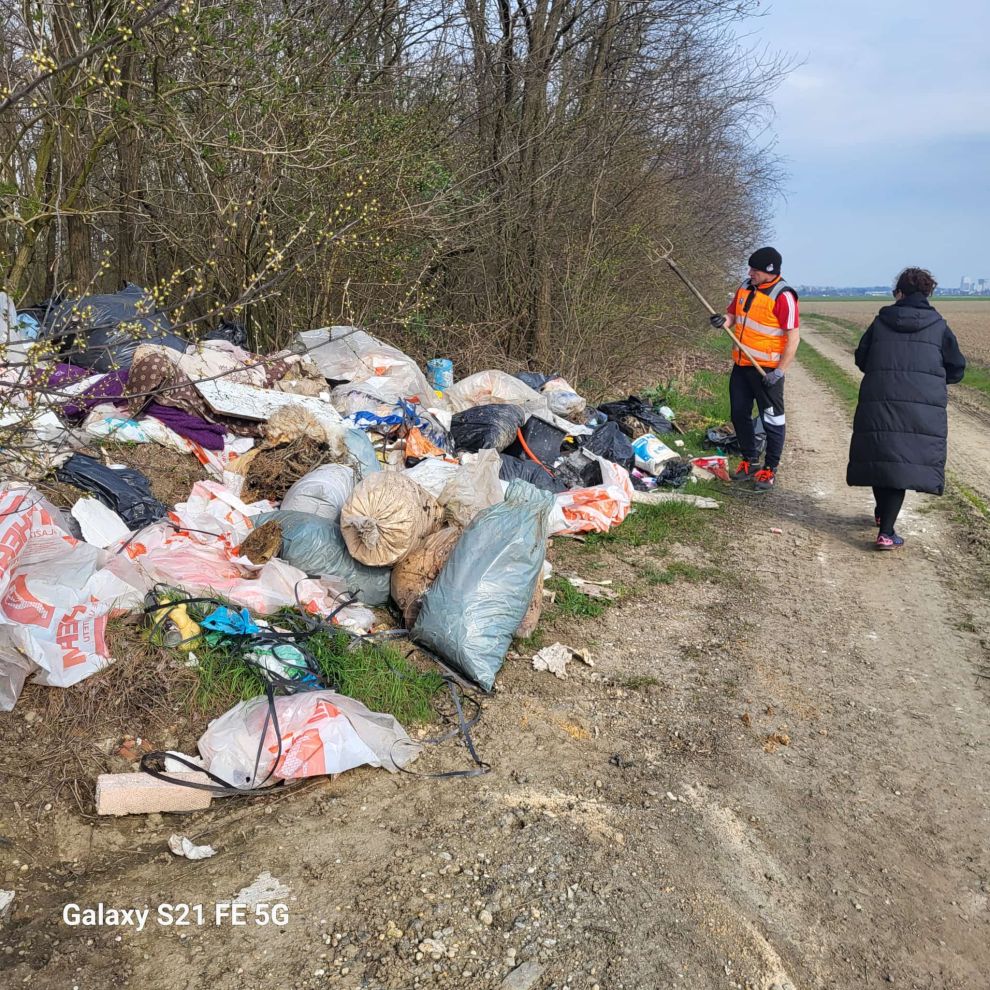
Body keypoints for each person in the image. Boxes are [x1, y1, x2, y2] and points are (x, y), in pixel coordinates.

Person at [847, 267, 966, 550]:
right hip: (920, 406)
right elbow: (957, 369)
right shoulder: (939, 326)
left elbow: (862, 358)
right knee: (900, 462)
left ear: (899, 293)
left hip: (880, 397)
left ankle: (882, 515)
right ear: (927, 293)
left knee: (882, 455)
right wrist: (930, 380)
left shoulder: (881, 321)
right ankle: (887, 530)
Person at [710, 247, 800, 491]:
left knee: (773, 420)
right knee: (739, 414)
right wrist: (723, 321)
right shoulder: (745, 286)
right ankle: (749, 461)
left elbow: (794, 338)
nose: (750, 273)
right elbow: (732, 315)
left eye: (755, 270)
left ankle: (769, 469)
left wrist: (779, 371)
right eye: (750, 269)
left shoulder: (784, 296)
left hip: (767, 371)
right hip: (742, 366)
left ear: (770, 271)